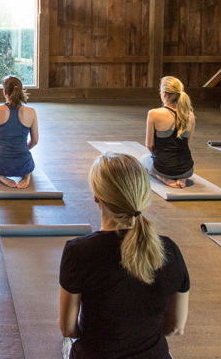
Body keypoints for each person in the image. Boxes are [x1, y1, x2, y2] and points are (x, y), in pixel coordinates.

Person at [59, 152, 190, 359]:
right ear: (143, 197)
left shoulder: (78, 252)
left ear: (96, 197)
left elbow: (68, 329)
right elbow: (176, 327)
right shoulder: (169, 250)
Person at [0, 76, 38, 189]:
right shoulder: (31, 112)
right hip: (23, 165)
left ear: (4, 92)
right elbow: (35, 141)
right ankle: (26, 176)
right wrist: (21, 150)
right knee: (28, 162)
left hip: (1, 165)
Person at [142, 76, 196, 189]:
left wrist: (159, 158)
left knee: (143, 160)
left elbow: (148, 145)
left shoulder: (154, 113)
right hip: (187, 169)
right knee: (176, 162)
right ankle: (181, 178)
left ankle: (164, 177)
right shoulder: (190, 115)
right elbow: (187, 145)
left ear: (165, 94)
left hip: (163, 168)